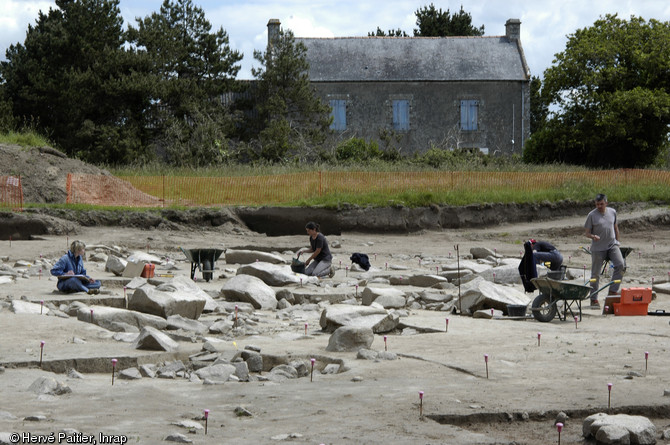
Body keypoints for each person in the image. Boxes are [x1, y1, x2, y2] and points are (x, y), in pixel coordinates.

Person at [584, 193, 624, 308]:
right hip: (598, 248)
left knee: (620, 265)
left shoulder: (612, 212)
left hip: (612, 245)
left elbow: (615, 228)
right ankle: (594, 299)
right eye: (597, 204)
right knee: (595, 274)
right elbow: (587, 233)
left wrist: (617, 241)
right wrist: (593, 236)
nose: (599, 206)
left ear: (606, 203)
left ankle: (612, 291)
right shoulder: (591, 215)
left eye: (601, 204)